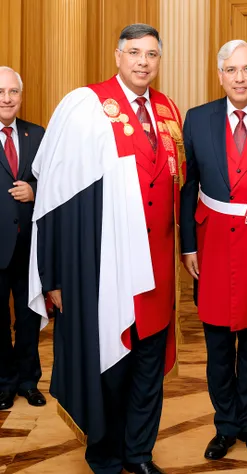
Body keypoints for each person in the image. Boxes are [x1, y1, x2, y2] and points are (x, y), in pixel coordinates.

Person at [29, 24, 184, 474]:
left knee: (148, 369)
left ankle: (139, 453)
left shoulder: (169, 110)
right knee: (112, 368)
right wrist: (53, 275)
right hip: (103, 271)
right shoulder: (85, 106)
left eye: (151, 54)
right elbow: (53, 200)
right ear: (118, 56)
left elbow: (182, 188)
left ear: (158, 60)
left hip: (156, 271)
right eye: (134, 52)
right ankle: (106, 455)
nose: (142, 62)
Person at [180, 40, 247, 461]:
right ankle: (224, 424)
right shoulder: (198, 118)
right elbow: (188, 187)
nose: (239, 78)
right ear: (219, 74)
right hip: (213, 242)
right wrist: (188, 244)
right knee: (218, 345)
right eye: (231, 70)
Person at [0, 66, 45, 411]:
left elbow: (57, 186)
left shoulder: (37, 135)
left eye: (13, 92)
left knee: (29, 315)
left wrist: (36, 190)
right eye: (1, 92)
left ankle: (29, 381)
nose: (7, 98)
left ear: (20, 95)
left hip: (29, 246)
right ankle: (4, 382)